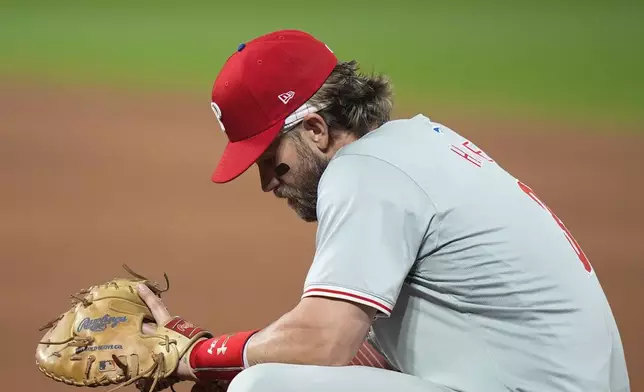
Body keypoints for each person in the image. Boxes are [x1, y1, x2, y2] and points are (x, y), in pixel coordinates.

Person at [136, 29, 630, 392]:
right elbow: (360, 346)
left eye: (271, 160)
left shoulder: (363, 173)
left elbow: (323, 343)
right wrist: (223, 360)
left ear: (314, 130)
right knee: (259, 375)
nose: (267, 183)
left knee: (260, 389)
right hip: (562, 378)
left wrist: (197, 354)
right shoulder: (418, 142)